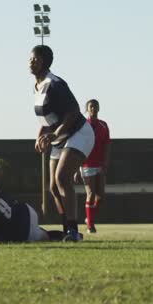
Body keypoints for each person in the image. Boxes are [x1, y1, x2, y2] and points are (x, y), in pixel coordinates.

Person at [30, 44, 93, 242]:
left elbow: (73, 111)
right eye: (30, 59)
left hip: (79, 133)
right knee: (54, 187)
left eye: (36, 59)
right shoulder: (37, 86)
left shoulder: (55, 83)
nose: (31, 62)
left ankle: (73, 231)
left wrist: (54, 134)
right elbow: (46, 118)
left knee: (62, 178)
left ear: (46, 62)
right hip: (60, 137)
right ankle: (68, 229)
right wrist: (40, 135)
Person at [78, 99, 111, 234]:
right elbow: (78, 145)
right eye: (91, 106)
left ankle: (89, 218)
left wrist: (106, 162)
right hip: (86, 163)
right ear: (87, 109)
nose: (94, 108)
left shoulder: (103, 125)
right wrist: (76, 166)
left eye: (96, 106)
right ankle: (90, 226)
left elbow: (107, 145)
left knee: (100, 197)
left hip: (99, 164)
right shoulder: (83, 125)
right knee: (90, 194)